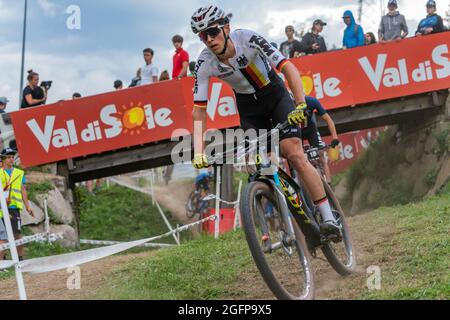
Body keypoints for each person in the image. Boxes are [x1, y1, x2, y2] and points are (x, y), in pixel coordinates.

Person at [190, 5, 341, 236]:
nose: (209, 39)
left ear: (226, 28)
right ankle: (275, 222)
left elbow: (287, 67)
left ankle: (329, 217)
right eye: (203, 36)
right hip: (249, 109)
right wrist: (199, 150)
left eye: (213, 32)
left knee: (294, 153)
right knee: (257, 164)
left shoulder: (247, 38)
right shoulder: (204, 63)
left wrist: (300, 104)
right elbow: (199, 110)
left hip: (275, 96)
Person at [0, 148, 34, 262]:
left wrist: (28, 206)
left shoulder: (19, 173)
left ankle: (20, 259)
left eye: (12, 157)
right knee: (2, 236)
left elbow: (23, 190)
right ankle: (3, 260)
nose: (11, 159)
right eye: (8, 157)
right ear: (3, 159)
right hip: (1, 208)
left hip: (14, 208)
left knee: (17, 234)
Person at [302, 96, 340, 185]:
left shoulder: (311, 101)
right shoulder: (286, 103)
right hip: (296, 131)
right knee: (300, 159)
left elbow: (328, 119)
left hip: (310, 129)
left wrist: (335, 139)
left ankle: (329, 186)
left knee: (321, 155)